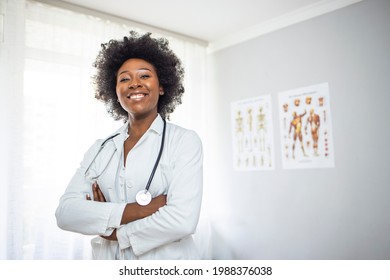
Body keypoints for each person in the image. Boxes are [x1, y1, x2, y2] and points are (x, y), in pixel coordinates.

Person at [55, 31, 203, 260]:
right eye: (124, 79)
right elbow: (65, 214)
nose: (135, 84)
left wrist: (115, 232)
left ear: (162, 86)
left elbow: (182, 220)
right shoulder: (100, 148)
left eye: (144, 76)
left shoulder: (184, 141)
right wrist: (139, 210)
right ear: (115, 91)